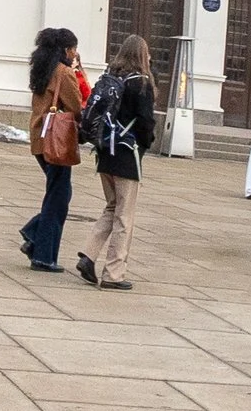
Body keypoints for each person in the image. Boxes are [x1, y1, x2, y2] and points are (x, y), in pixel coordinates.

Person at [77, 34, 157, 291]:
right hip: (127, 155)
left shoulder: (110, 77)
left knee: (112, 207)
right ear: (143, 55)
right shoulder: (141, 84)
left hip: (105, 154)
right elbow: (146, 123)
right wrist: (148, 141)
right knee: (125, 215)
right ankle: (113, 273)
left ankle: (88, 255)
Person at [20, 27, 83, 273]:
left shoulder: (42, 68)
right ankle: (44, 255)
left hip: (40, 137)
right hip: (57, 141)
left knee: (59, 193)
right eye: (74, 49)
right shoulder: (63, 72)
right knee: (58, 197)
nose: (75, 54)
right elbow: (76, 106)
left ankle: (35, 236)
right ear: (66, 50)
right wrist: (77, 75)